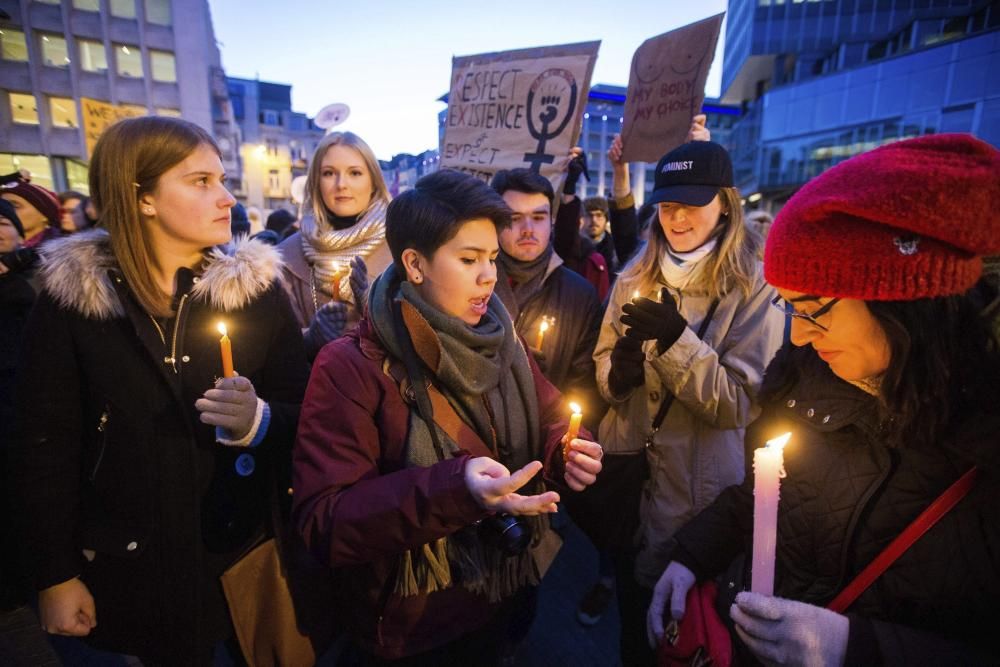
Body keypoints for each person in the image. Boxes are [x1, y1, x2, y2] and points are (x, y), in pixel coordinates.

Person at [647, 134, 1000, 666]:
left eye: (814, 308)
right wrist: (693, 554)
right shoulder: (808, 375)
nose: (800, 335)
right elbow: (767, 493)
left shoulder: (982, 439)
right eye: (790, 309)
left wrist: (855, 647)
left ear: (901, 301)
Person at [9, 116, 309, 665]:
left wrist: (259, 421)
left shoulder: (255, 292)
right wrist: (55, 574)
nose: (226, 198)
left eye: (222, 179)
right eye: (201, 182)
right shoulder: (72, 300)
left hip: (237, 552)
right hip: (123, 563)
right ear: (142, 197)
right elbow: (43, 445)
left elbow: (306, 415)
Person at [292, 169, 604, 665]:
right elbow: (324, 521)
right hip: (415, 623)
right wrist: (454, 490)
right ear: (415, 264)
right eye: (469, 259)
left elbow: (548, 410)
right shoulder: (352, 365)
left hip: (503, 586)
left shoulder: (501, 333)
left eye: (492, 258)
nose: (489, 276)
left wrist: (567, 448)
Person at [594, 138, 784, 665]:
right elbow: (604, 367)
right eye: (667, 204)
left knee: (684, 634)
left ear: (725, 203)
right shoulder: (635, 273)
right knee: (632, 627)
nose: (677, 218)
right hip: (629, 481)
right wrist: (619, 374)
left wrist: (677, 343)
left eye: (693, 203)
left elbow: (738, 404)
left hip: (696, 494)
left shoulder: (755, 283)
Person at [490, 168, 605, 429]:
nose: (528, 229)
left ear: (551, 220)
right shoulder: (471, 285)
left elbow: (584, 390)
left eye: (538, 217)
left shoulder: (579, 296)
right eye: (514, 217)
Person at [278, 131, 393, 360]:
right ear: (315, 182)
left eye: (355, 173)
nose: (341, 184)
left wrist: (374, 310)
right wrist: (308, 339)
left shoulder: (400, 248)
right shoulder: (286, 256)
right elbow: (274, 352)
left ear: (373, 181)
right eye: (329, 173)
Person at [0, 174, 62, 248]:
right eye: (2, 206)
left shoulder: (62, 251)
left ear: (44, 216)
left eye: (15, 206)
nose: (4, 212)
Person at [581, 195, 617, 274]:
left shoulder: (615, 249)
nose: (594, 220)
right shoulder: (573, 247)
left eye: (599, 215)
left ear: (606, 219)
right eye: (589, 215)